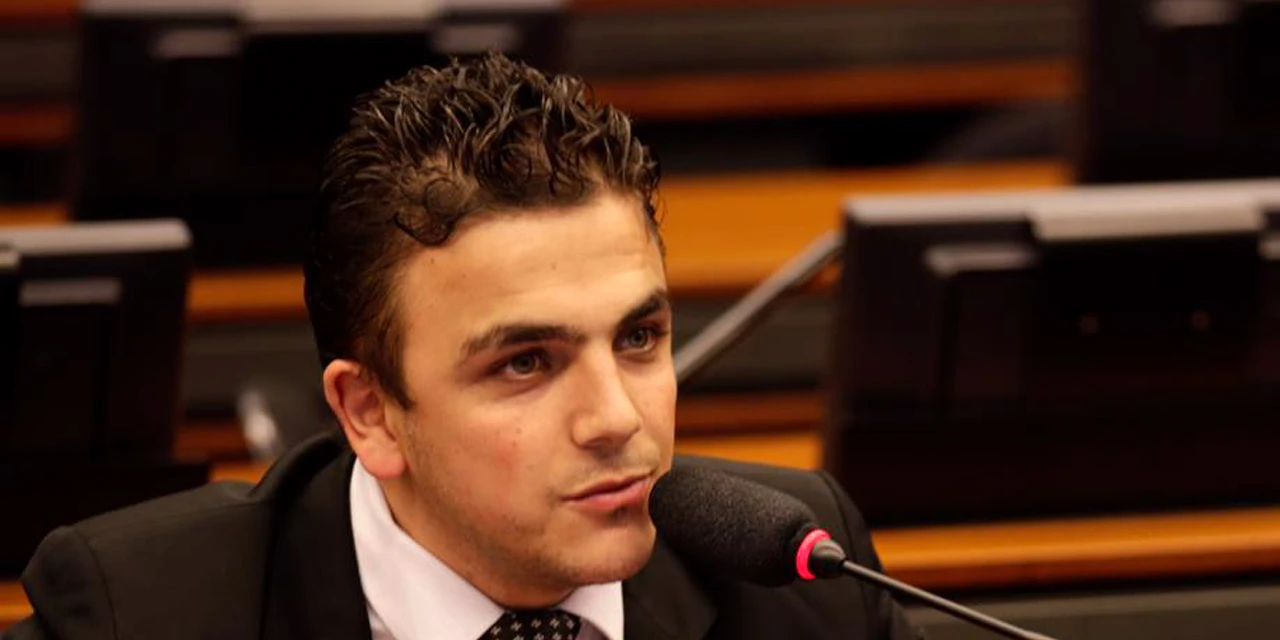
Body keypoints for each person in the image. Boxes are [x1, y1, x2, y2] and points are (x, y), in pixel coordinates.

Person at [5, 52, 923, 640]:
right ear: (371, 412)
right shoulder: (138, 614)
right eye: (526, 363)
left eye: (639, 338)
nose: (616, 419)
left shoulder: (804, 578)